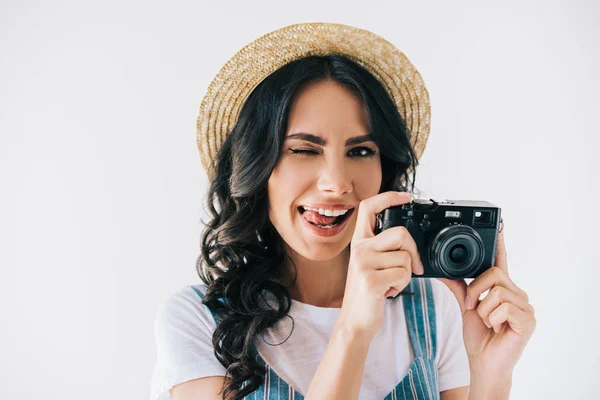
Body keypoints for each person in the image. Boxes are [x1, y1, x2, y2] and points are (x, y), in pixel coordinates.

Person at [150, 22, 536, 400]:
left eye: (360, 151)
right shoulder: (196, 323)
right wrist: (353, 327)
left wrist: (491, 374)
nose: (336, 183)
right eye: (303, 150)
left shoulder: (435, 310)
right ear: (256, 166)